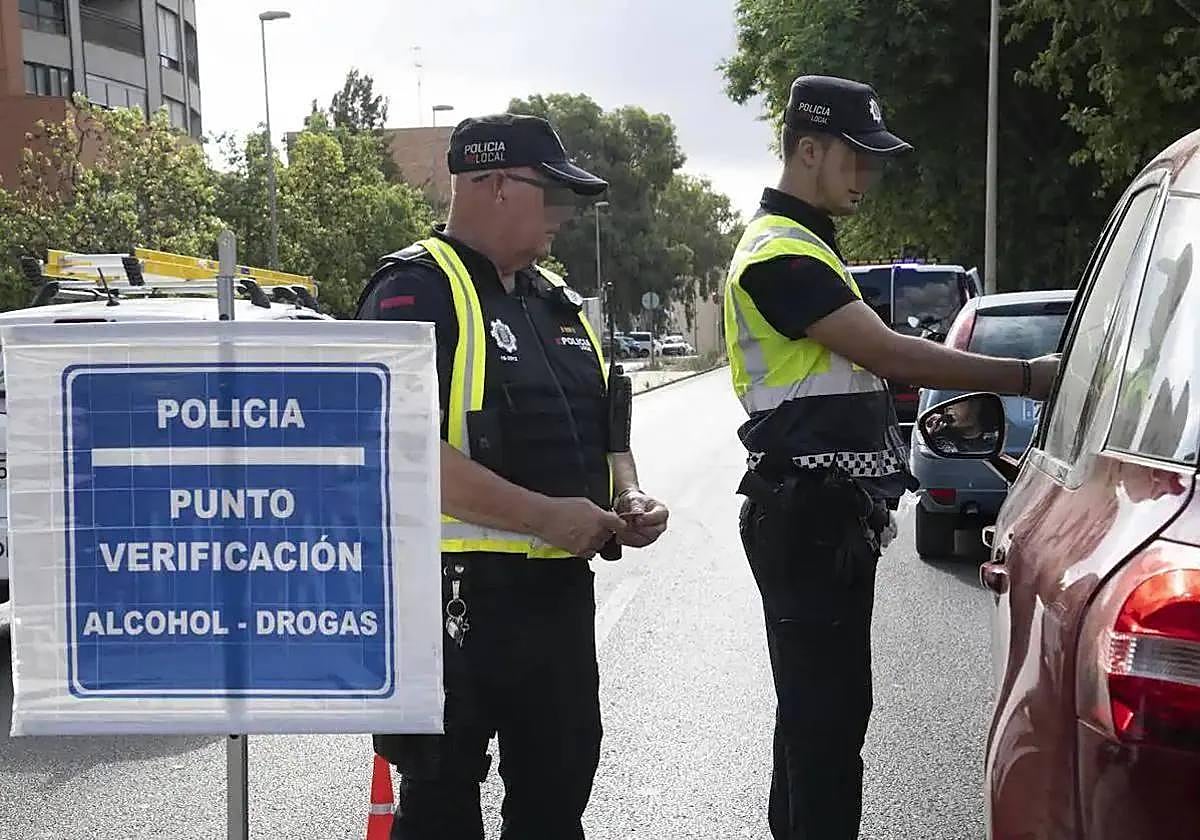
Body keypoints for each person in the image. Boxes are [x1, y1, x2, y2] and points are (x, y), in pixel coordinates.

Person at [723, 75, 1059, 840]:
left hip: (822, 514)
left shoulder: (809, 246)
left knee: (815, 721)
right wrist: (1027, 377)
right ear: (807, 150)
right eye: (855, 157)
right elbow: (890, 354)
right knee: (828, 727)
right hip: (804, 516)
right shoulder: (779, 253)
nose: (867, 177)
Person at [356, 113, 669, 840]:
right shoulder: (415, 291)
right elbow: (399, 451)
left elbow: (605, 428)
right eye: (549, 193)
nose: (563, 215)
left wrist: (627, 490)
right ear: (491, 183)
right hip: (453, 602)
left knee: (556, 802)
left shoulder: (555, 300)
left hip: (555, 601)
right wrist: (544, 517)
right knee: (440, 809)